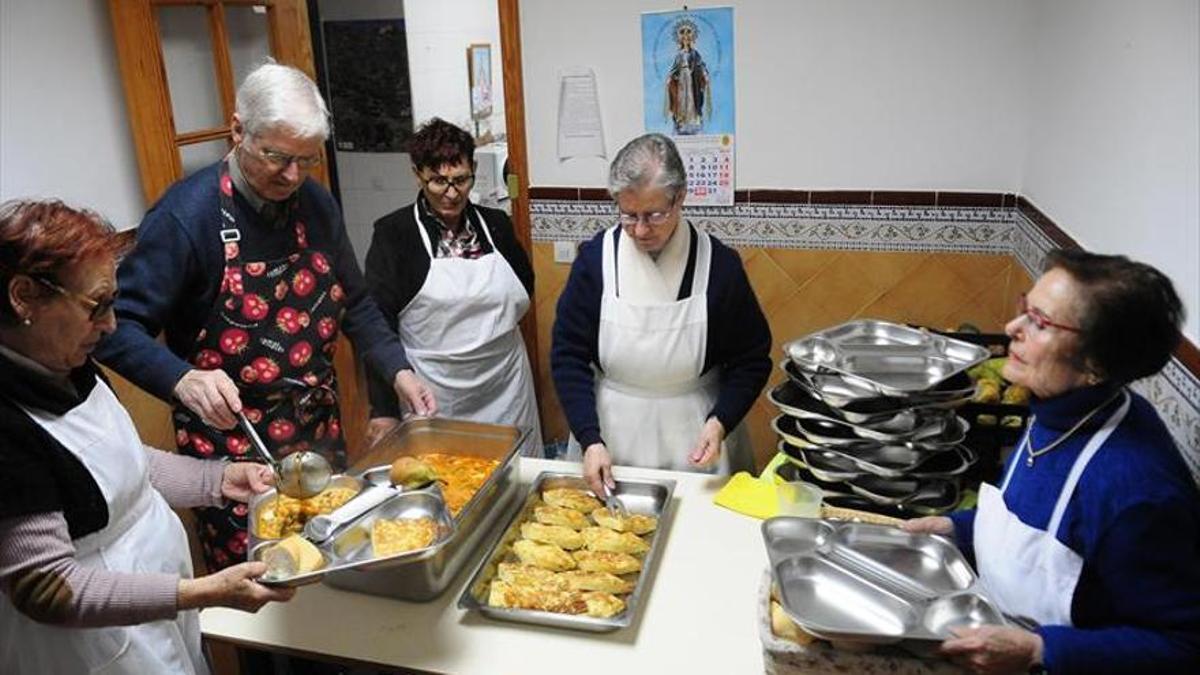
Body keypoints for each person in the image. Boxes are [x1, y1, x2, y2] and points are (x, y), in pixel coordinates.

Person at [94, 63, 435, 572]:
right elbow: (116, 330)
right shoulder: (186, 217)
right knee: (262, 587)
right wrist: (182, 379)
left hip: (317, 434)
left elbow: (356, 302)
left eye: (306, 160)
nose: (293, 176)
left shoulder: (315, 203)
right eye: (277, 157)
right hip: (232, 449)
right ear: (238, 130)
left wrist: (397, 368)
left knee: (333, 561)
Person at [0, 200, 293, 674]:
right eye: (97, 305)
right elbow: (46, 587)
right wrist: (204, 591)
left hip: (153, 604)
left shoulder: (69, 364)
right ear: (24, 297)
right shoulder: (10, 426)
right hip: (88, 646)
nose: (111, 324)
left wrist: (219, 480)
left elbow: (125, 468)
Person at [903, 250, 1200, 674]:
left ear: (1097, 363)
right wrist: (955, 529)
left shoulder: (1136, 488)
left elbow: (1182, 645)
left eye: (1040, 322)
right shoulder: (1056, 406)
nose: (1011, 328)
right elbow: (1031, 523)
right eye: (1026, 309)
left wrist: (1039, 651)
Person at [551, 133, 770, 496]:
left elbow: (751, 359)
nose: (639, 230)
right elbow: (567, 355)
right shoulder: (595, 261)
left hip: (696, 439)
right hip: (610, 437)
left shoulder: (719, 266)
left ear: (680, 197)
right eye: (628, 215)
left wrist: (721, 422)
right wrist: (589, 437)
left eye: (654, 215)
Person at [363, 118, 541, 456]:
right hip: (435, 390)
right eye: (438, 182)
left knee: (516, 480)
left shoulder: (496, 225)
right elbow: (377, 325)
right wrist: (382, 409)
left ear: (473, 169)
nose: (452, 193)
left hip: (505, 385)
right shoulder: (394, 235)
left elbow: (524, 287)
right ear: (418, 174)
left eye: (461, 180)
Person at [665, 17, 711, 135]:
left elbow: (701, 66)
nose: (686, 39)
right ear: (680, 40)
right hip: (681, 81)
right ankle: (681, 120)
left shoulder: (695, 54)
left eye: (688, 37)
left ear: (691, 39)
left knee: (692, 99)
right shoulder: (679, 55)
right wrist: (670, 78)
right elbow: (674, 68)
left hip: (692, 81)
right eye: (683, 37)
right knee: (681, 100)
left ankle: (692, 119)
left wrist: (705, 75)